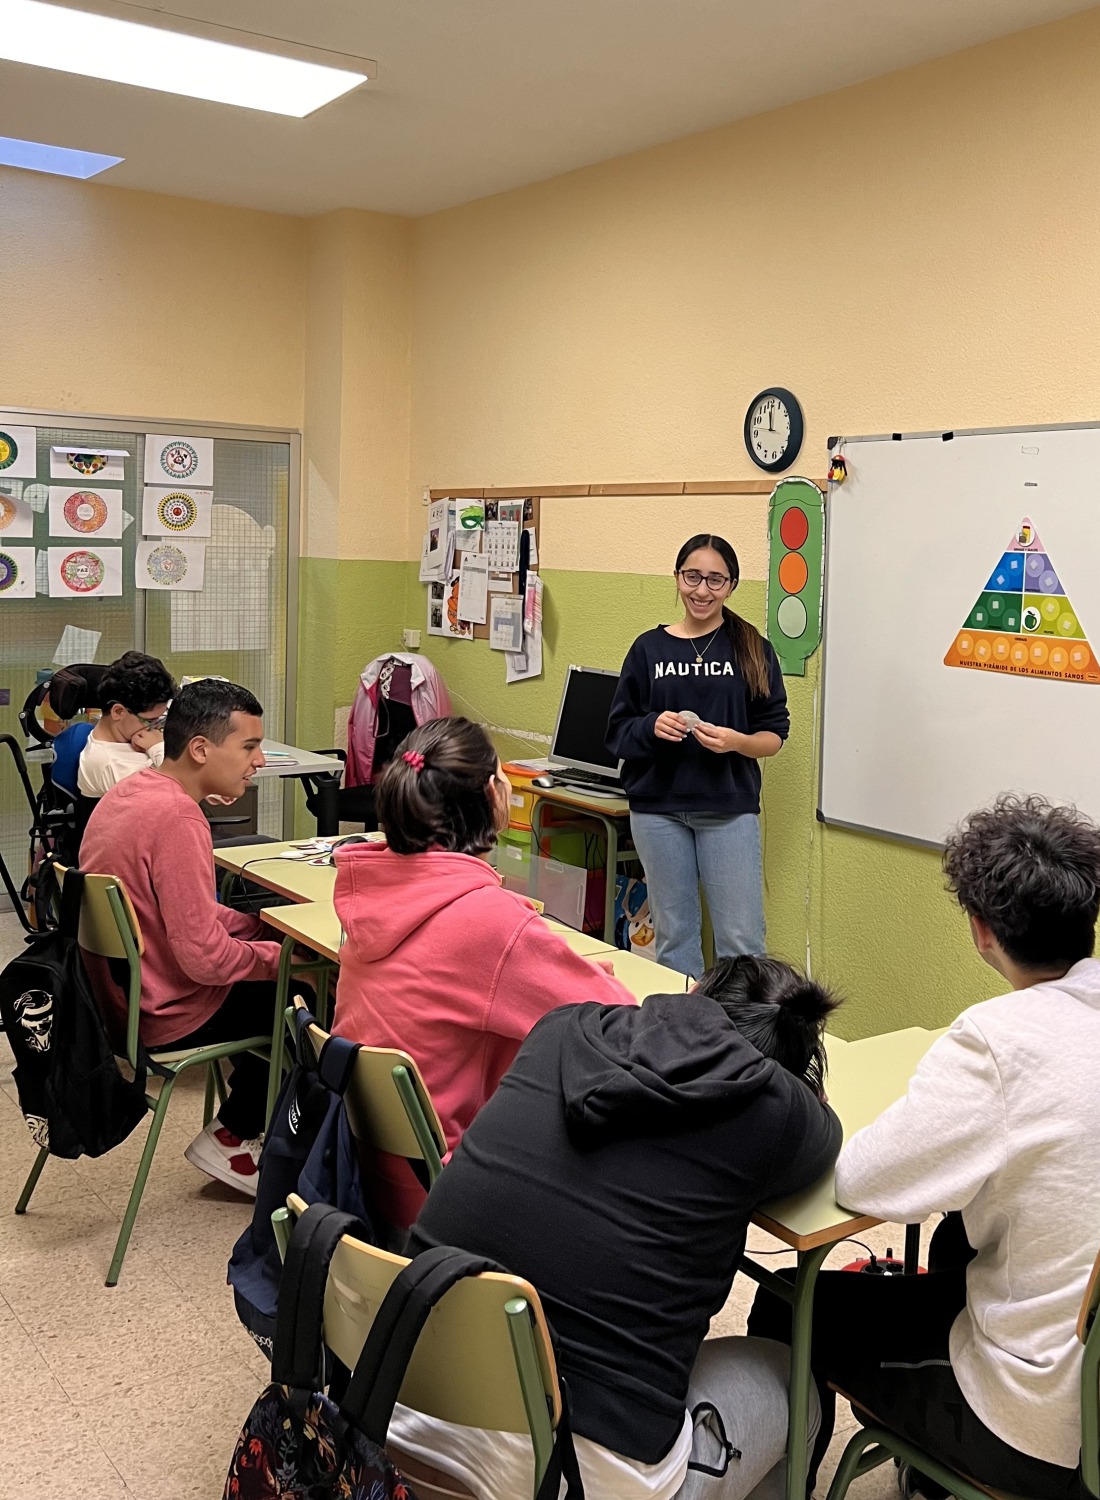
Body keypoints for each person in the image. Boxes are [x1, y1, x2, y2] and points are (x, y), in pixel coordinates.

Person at [752, 795, 1100, 1498]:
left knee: (790, 1303)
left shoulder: (993, 1042)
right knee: (959, 1243)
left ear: (980, 930)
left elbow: (862, 1182)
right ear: (1091, 909)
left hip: (1041, 1434)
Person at [385, 955, 842, 1500]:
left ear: (696, 995)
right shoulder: (776, 1107)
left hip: (406, 1407)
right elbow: (826, 1134)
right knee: (799, 1388)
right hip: (575, 1469)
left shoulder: (563, 1028)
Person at [330, 716, 637, 1231]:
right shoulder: (487, 921)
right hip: (452, 1196)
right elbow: (625, 1023)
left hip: (366, 1175)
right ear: (495, 793)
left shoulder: (368, 888)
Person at [79, 678, 284, 1195]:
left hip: (119, 1005)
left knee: (261, 955)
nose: (258, 761)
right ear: (200, 749)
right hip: (166, 1013)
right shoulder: (178, 817)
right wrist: (282, 957)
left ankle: (245, 1119)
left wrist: (256, 928)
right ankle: (235, 1133)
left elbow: (182, 913)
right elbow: (204, 961)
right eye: (249, 746)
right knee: (306, 998)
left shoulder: (131, 793)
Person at [606, 534, 789, 979]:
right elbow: (616, 733)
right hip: (657, 811)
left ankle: (743, 1042)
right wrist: (650, 727)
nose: (701, 590)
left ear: (731, 585)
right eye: (692, 577)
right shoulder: (648, 649)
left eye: (715, 579)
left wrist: (736, 742)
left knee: (741, 945)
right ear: (677, 578)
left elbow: (775, 734)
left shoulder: (751, 647)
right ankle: (683, 1039)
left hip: (727, 809)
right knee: (675, 940)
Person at [76, 650, 176, 798]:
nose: (155, 727)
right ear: (118, 712)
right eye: (150, 721)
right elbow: (177, 795)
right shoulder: (111, 765)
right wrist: (158, 747)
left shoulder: (124, 733)